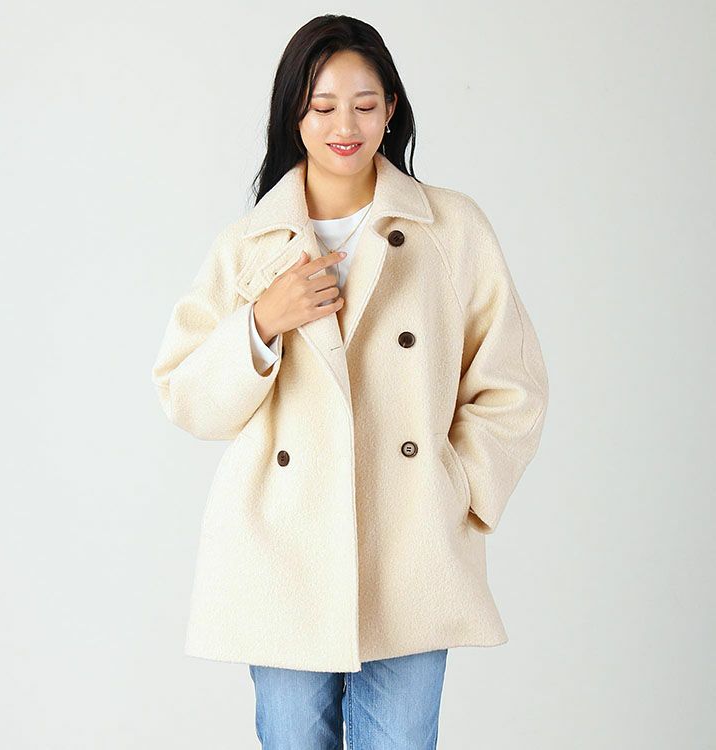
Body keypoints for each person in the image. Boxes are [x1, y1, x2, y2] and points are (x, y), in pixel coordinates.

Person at [151, 13, 549, 750]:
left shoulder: (450, 229)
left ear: (391, 108)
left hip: (411, 543)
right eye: (323, 105)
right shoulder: (249, 246)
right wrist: (261, 322)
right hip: (282, 551)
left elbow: (511, 383)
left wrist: (455, 490)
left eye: (365, 104)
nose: (345, 126)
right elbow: (187, 397)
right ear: (294, 115)